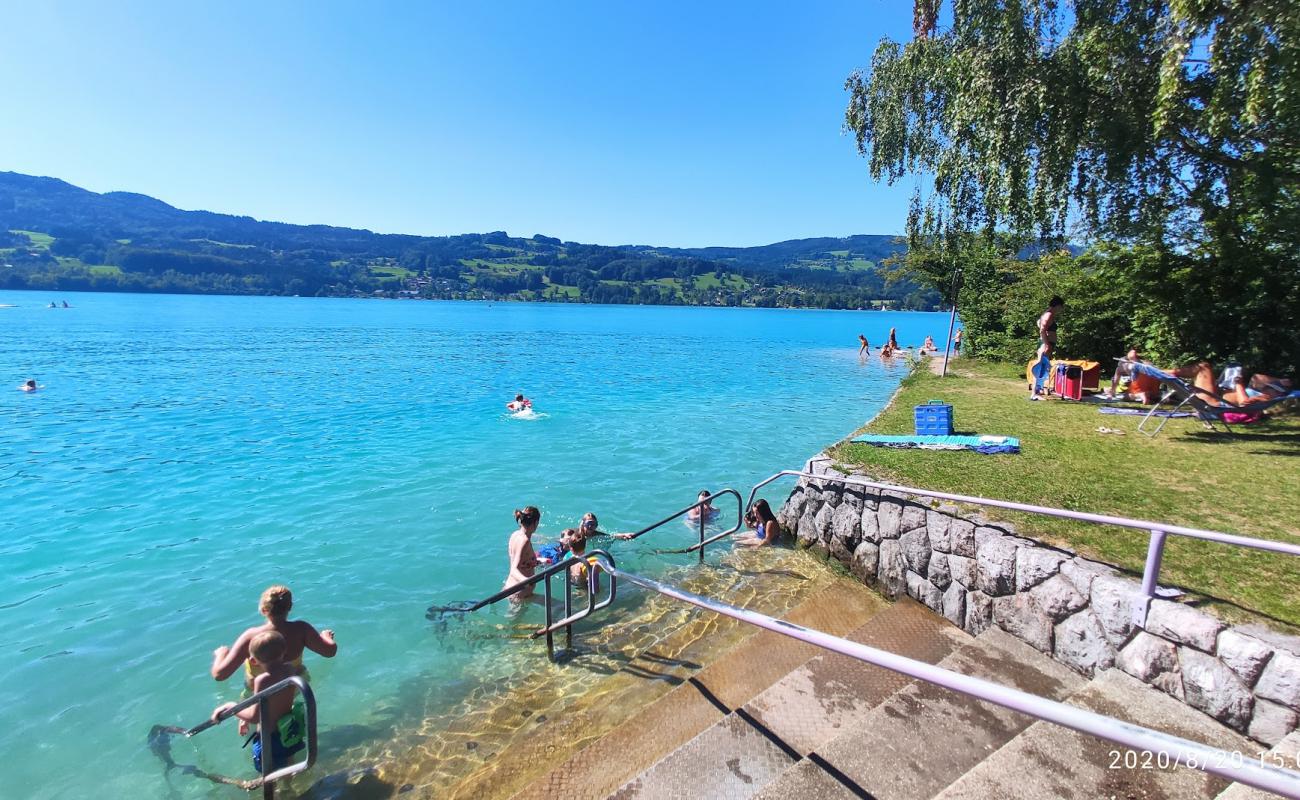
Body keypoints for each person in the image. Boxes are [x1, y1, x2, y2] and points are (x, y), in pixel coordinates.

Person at [210, 631, 305, 773]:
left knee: (268, 771)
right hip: (288, 728)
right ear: (284, 652)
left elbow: (255, 717)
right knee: (288, 761)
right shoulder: (290, 669)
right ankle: (287, 786)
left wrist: (231, 706)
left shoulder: (262, 680)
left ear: (253, 661)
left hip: (269, 738)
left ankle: (276, 792)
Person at [210, 585, 337, 686]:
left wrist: (221, 654)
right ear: (290, 607)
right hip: (294, 688)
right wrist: (326, 636)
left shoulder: (251, 637)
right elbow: (329, 652)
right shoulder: (301, 629)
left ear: (263, 609)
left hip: (259, 693)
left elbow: (220, 675)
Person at [1030, 296, 1064, 400]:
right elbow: (1042, 330)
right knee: (1040, 368)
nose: (1061, 309)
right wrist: (1046, 344)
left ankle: (1037, 392)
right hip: (1045, 344)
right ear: (1057, 306)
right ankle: (1034, 394)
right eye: (1061, 307)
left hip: (1047, 343)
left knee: (1044, 368)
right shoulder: (1048, 315)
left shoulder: (1048, 314)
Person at [503, 506, 541, 597]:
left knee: (558, 606)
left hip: (514, 589)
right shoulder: (525, 541)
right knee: (560, 607)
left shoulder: (515, 534)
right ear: (535, 523)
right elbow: (513, 569)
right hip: (519, 593)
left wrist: (536, 562)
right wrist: (526, 581)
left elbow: (521, 561)